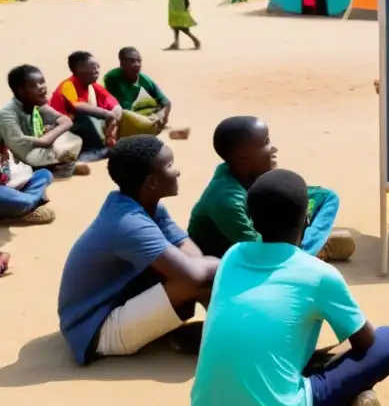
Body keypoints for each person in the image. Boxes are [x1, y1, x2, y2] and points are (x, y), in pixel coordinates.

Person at [189, 169, 389, 406]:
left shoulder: (232, 256)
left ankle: (326, 389)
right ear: (306, 221)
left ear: (251, 220)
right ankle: (343, 404)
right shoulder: (319, 275)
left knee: (276, 348)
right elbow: (366, 342)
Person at [57, 136, 219, 365]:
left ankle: (221, 330)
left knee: (199, 272)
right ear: (151, 182)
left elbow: (188, 249)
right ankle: (226, 335)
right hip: (94, 330)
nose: (178, 172)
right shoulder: (127, 223)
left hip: (110, 305)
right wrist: (226, 264)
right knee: (195, 276)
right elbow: (193, 274)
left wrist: (207, 269)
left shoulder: (144, 207)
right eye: (170, 166)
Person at [187, 116, 353, 261]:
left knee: (324, 198)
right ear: (244, 159)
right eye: (266, 142)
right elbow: (260, 251)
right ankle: (302, 256)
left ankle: (306, 248)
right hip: (232, 260)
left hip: (261, 233)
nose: (274, 148)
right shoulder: (226, 201)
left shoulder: (241, 172)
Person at [0, 65, 85, 178]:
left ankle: (56, 167)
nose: (42, 87)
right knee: (65, 149)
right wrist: (46, 139)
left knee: (74, 139)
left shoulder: (36, 103)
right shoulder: (7, 113)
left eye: (42, 82)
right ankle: (53, 170)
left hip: (37, 148)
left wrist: (47, 136)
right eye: (33, 85)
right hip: (23, 156)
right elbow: (24, 145)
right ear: (20, 90)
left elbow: (66, 121)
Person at [50, 51, 122, 161]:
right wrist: (107, 114)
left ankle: (103, 146)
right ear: (79, 69)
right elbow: (78, 105)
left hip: (75, 126)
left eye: (98, 67)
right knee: (84, 114)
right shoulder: (68, 85)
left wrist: (113, 121)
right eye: (93, 67)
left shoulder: (92, 85)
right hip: (61, 127)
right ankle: (91, 151)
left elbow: (112, 103)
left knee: (110, 114)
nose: (97, 71)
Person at [103, 47, 188, 139]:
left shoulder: (144, 80)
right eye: (131, 61)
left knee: (152, 116)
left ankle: (162, 129)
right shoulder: (112, 78)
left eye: (139, 61)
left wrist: (163, 115)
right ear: (122, 63)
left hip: (132, 115)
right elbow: (114, 104)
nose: (137, 64)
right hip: (116, 115)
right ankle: (164, 131)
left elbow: (165, 102)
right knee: (124, 115)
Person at [1, 135, 54, 225]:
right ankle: (31, 204)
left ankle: (29, 204)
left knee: (44, 174)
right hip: (4, 191)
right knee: (24, 201)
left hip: (14, 186)